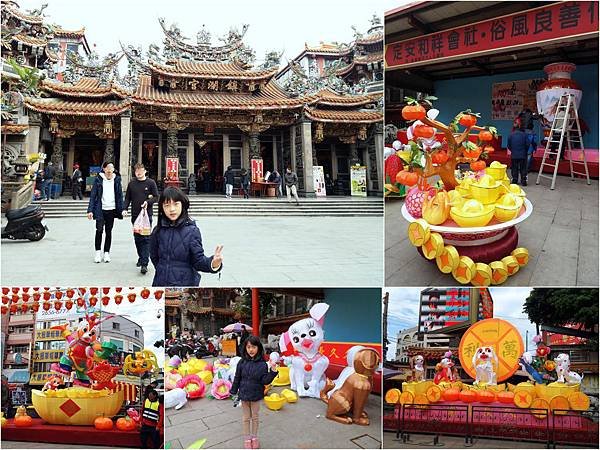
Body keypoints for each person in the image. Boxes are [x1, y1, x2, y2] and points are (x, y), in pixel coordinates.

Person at [149, 186, 224, 286]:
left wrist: (214, 263)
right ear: (162, 208)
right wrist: (163, 269)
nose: (172, 209)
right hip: (160, 283)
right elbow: (154, 257)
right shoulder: (158, 230)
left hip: (185, 283)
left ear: (182, 205)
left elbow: (198, 261)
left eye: (176, 204)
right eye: (167, 205)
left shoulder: (192, 231)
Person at [231, 336, 278, 449]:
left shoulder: (262, 364)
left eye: (253, 347)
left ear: (258, 348)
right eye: (248, 347)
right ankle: (247, 439)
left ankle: (254, 437)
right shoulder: (241, 362)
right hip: (244, 394)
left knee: (255, 417)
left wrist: (273, 371)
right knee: (246, 418)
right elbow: (237, 377)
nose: (251, 350)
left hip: (256, 395)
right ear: (245, 348)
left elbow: (264, 380)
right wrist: (233, 390)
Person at [124, 163, 159, 275]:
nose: (138, 172)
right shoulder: (131, 184)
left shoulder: (151, 183)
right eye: (136, 171)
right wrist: (124, 209)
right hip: (135, 215)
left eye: (140, 170)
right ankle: (141, 257)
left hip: (146, 216)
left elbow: (156, 197)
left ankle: (144, 263)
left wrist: (147, 202)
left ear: (145, 171)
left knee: (145, 238)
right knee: (137, 238)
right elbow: (127, 198)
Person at [87, 162, 124, 263]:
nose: (109, 170)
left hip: (111, 209)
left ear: (113, 169)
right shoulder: (98, 179)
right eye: (107, 168)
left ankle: (106, 253)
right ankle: (98, 253)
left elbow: (120, 196)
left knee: (109, 231)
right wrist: (90, 210)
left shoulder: (117, 180)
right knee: (99, 230)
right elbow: (93, 196)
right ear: (103, 169)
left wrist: (122, 209)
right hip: (100, 209)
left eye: (111, 168)